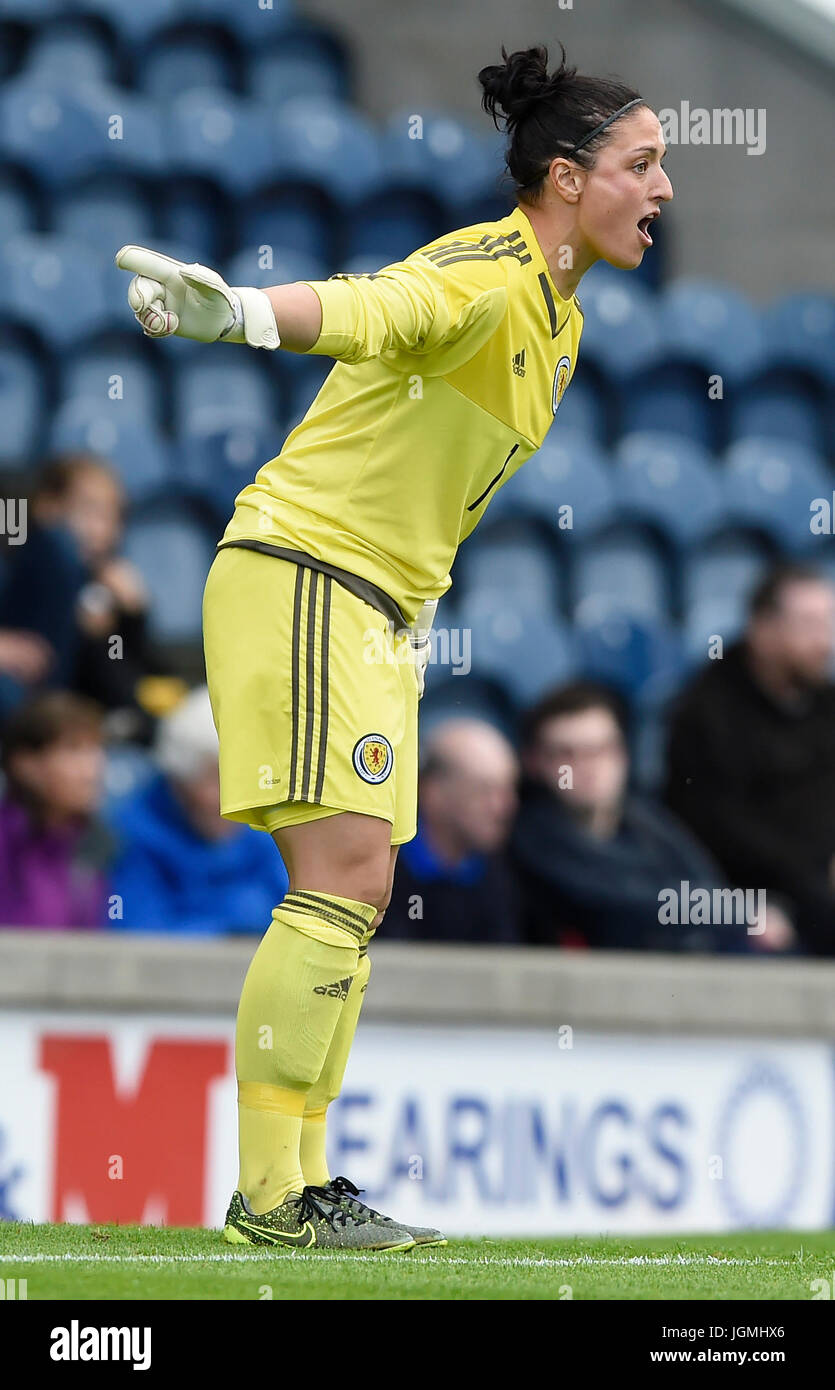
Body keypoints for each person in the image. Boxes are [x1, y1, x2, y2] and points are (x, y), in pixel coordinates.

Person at [115, 42, 673, 1251]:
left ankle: (303, 1182)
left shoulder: (558, 324)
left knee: (354, 895)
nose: (664, 186)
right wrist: (249, 314)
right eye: (642, 163)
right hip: (310, 574)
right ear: (567, 179)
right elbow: (377, 306)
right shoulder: (485, 271)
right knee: (343, 883)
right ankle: (270, 1196)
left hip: (369, 609)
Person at [510, 681, 776, 953]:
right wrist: (739, 913)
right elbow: (618, 905)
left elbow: (705, 883)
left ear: (623, 755)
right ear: (533, 762)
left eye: (601, 750)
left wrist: (738, 912)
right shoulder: (531, 836)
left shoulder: (647, 821)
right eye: (567, 753)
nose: (588, 766)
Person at [666, 564, 835, 955]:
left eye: (828, 623)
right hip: (744, 891)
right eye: (808, 625)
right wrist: (818, 864)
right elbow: (715, 827)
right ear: (763, 630)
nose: (824, 642)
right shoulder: (706, 711)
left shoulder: (827, 704)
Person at [0, 454, 167, 741]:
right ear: (47, 508)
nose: (100, 529)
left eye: (113, 516)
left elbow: (134, 677)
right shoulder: (28, 556)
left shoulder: (105, 589)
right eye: (88, 510)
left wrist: (133, 617)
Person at [109, 687, 289, 934]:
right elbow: (138, 940)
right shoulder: (132, 839)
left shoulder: (264, 831)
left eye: (243, 777)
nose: (233, 800)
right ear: (178, 781)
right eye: (216, 778)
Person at [384, 718, 522, 944]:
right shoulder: (382, 873)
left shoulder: (508, 874)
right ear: (433, 792)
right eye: (483, 791)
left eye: (508, 788)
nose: (502, 807)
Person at [0, 691, 110, 930]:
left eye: (95, 750)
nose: (91, 770)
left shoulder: (103, 843)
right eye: (73, 751)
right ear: (25, 765)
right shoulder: (7, 844)